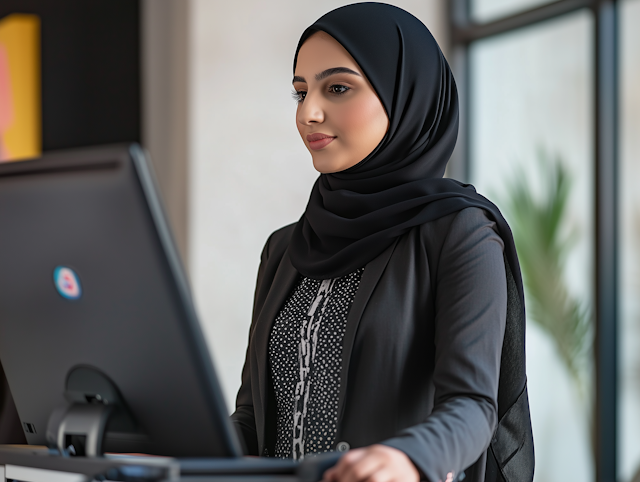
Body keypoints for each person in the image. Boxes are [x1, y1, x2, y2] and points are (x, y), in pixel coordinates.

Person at [231, 4, 534, 482]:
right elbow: (252, 418)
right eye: (300, 92)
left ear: (405, 96)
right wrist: (173, 452)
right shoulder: (284, 249)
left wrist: (410, 458)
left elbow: (473, 405)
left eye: (337, 87)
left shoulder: (462, 232)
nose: (309, 112)